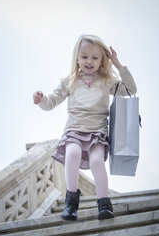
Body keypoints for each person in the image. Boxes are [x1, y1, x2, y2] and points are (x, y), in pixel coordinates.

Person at [33, 34, 137, 221]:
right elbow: (51, 102)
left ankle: (104, 204)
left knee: (97, 161)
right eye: (84, 56)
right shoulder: (69, 81)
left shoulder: (106, 80)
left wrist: (118, 64)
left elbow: (131, 89)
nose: (89, 61)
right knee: (72, 153)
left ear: (102, 60)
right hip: (74, 130)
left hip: (98, 132)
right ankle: (71, 203)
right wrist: (41, 100)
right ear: (77, 58)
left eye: (95, 58)